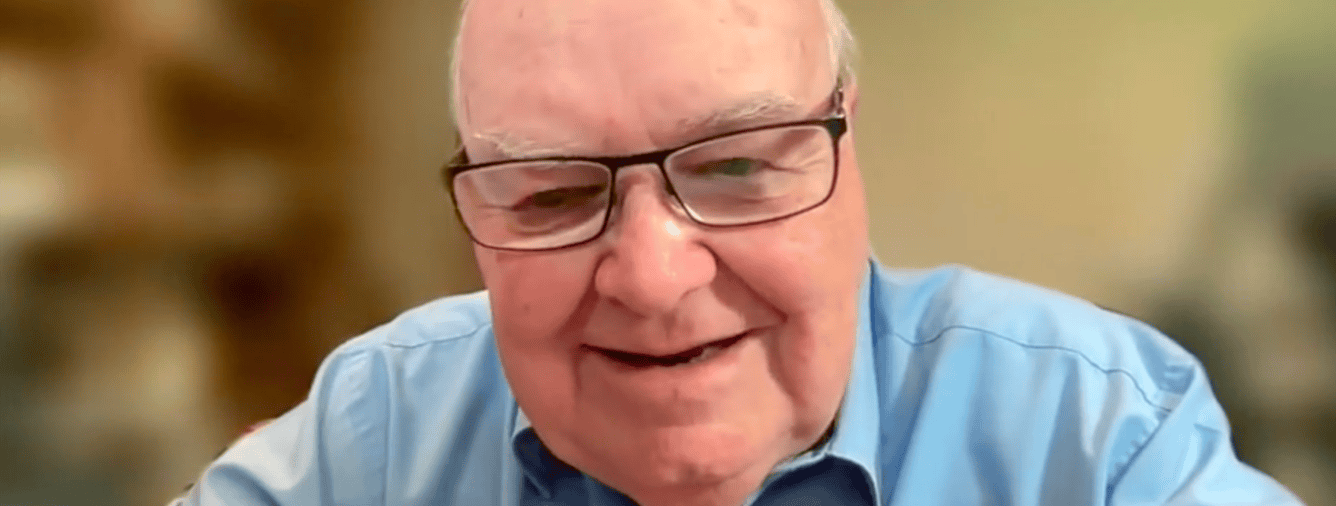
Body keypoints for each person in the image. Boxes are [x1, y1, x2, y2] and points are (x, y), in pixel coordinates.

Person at [172, 0, 1304, 504]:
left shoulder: (1095, 438)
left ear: (846, 136)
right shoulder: (376, 435)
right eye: (554, 192)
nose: (653, 277)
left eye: (734, 167)